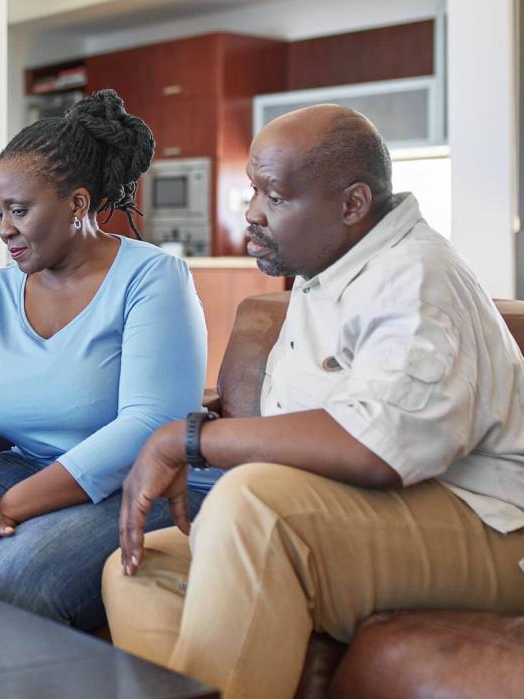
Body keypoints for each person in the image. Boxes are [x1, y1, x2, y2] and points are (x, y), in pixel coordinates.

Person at [103, 104, 524, 698]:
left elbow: (378, 445)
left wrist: (186, 439)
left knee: (253, 507)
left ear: (352, 205)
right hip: (392, 507)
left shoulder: (416, 279)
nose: (251, 212)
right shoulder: (326, 267)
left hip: (493, 526)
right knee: (140, 563)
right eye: (254, 190)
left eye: (273, 195)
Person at [0, 89, 210, 631]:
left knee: (23, 571)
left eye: (19, 210)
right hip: (27, 465)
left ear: (77, 204)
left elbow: (152, 423)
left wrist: (10, 506)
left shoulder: (152, 278)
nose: (3, 229)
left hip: (135, 482)